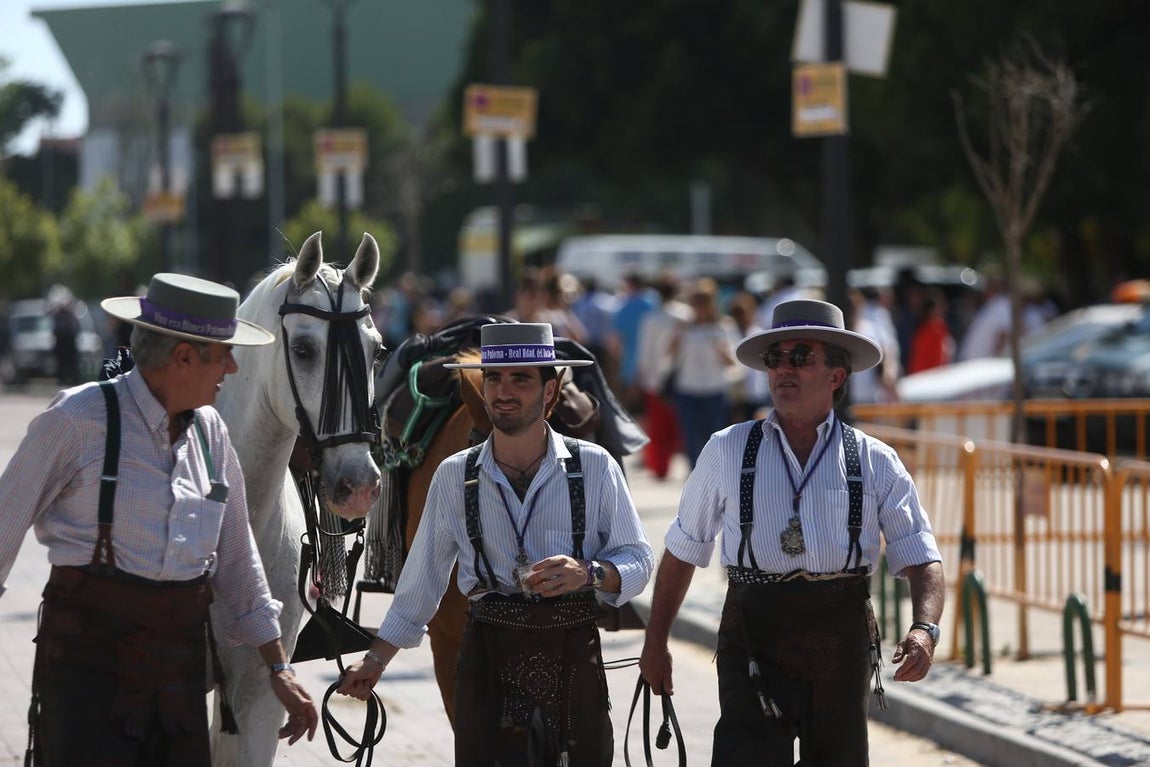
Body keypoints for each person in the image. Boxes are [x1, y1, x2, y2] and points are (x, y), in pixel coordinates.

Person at [0, 273, 319, 766]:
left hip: (177, 678)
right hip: (87, 674)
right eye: (223, 353)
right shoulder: (79, 420)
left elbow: (239, 563)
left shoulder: (211, 434)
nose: (233, 367)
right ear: (183, 357)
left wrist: (279, 669)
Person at [639, 299, 945, 767]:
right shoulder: (728, 450)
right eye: (774, 358)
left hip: (840, 640)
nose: (784, 369)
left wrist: (924, 630)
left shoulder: (874, 459)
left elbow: (921, 554)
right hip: (752, 633)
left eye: (800, 357)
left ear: (836, 376)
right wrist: (655, 641)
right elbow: (682, 550)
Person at [338, 322, 654, 766]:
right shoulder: (453, 475)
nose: (504, 391)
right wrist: (374, 661)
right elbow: (422, 582)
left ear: (549, 391)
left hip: (573, 660)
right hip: (487, 658)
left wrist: (590, 573)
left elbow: (638, 557)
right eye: (494, 378)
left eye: (520, 379)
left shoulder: (595, 467)